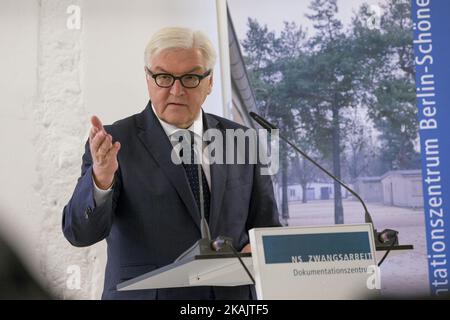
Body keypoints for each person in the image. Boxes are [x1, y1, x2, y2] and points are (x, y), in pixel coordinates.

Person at [62, 27, 280, 300]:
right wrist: (101, 180)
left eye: (190, 77)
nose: (176, 90)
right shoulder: (115, 142)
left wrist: (259, 248)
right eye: (164, 77)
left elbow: (268, 228)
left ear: (209, 81)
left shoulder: (243, 141)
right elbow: (79, 234)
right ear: (148, 78)